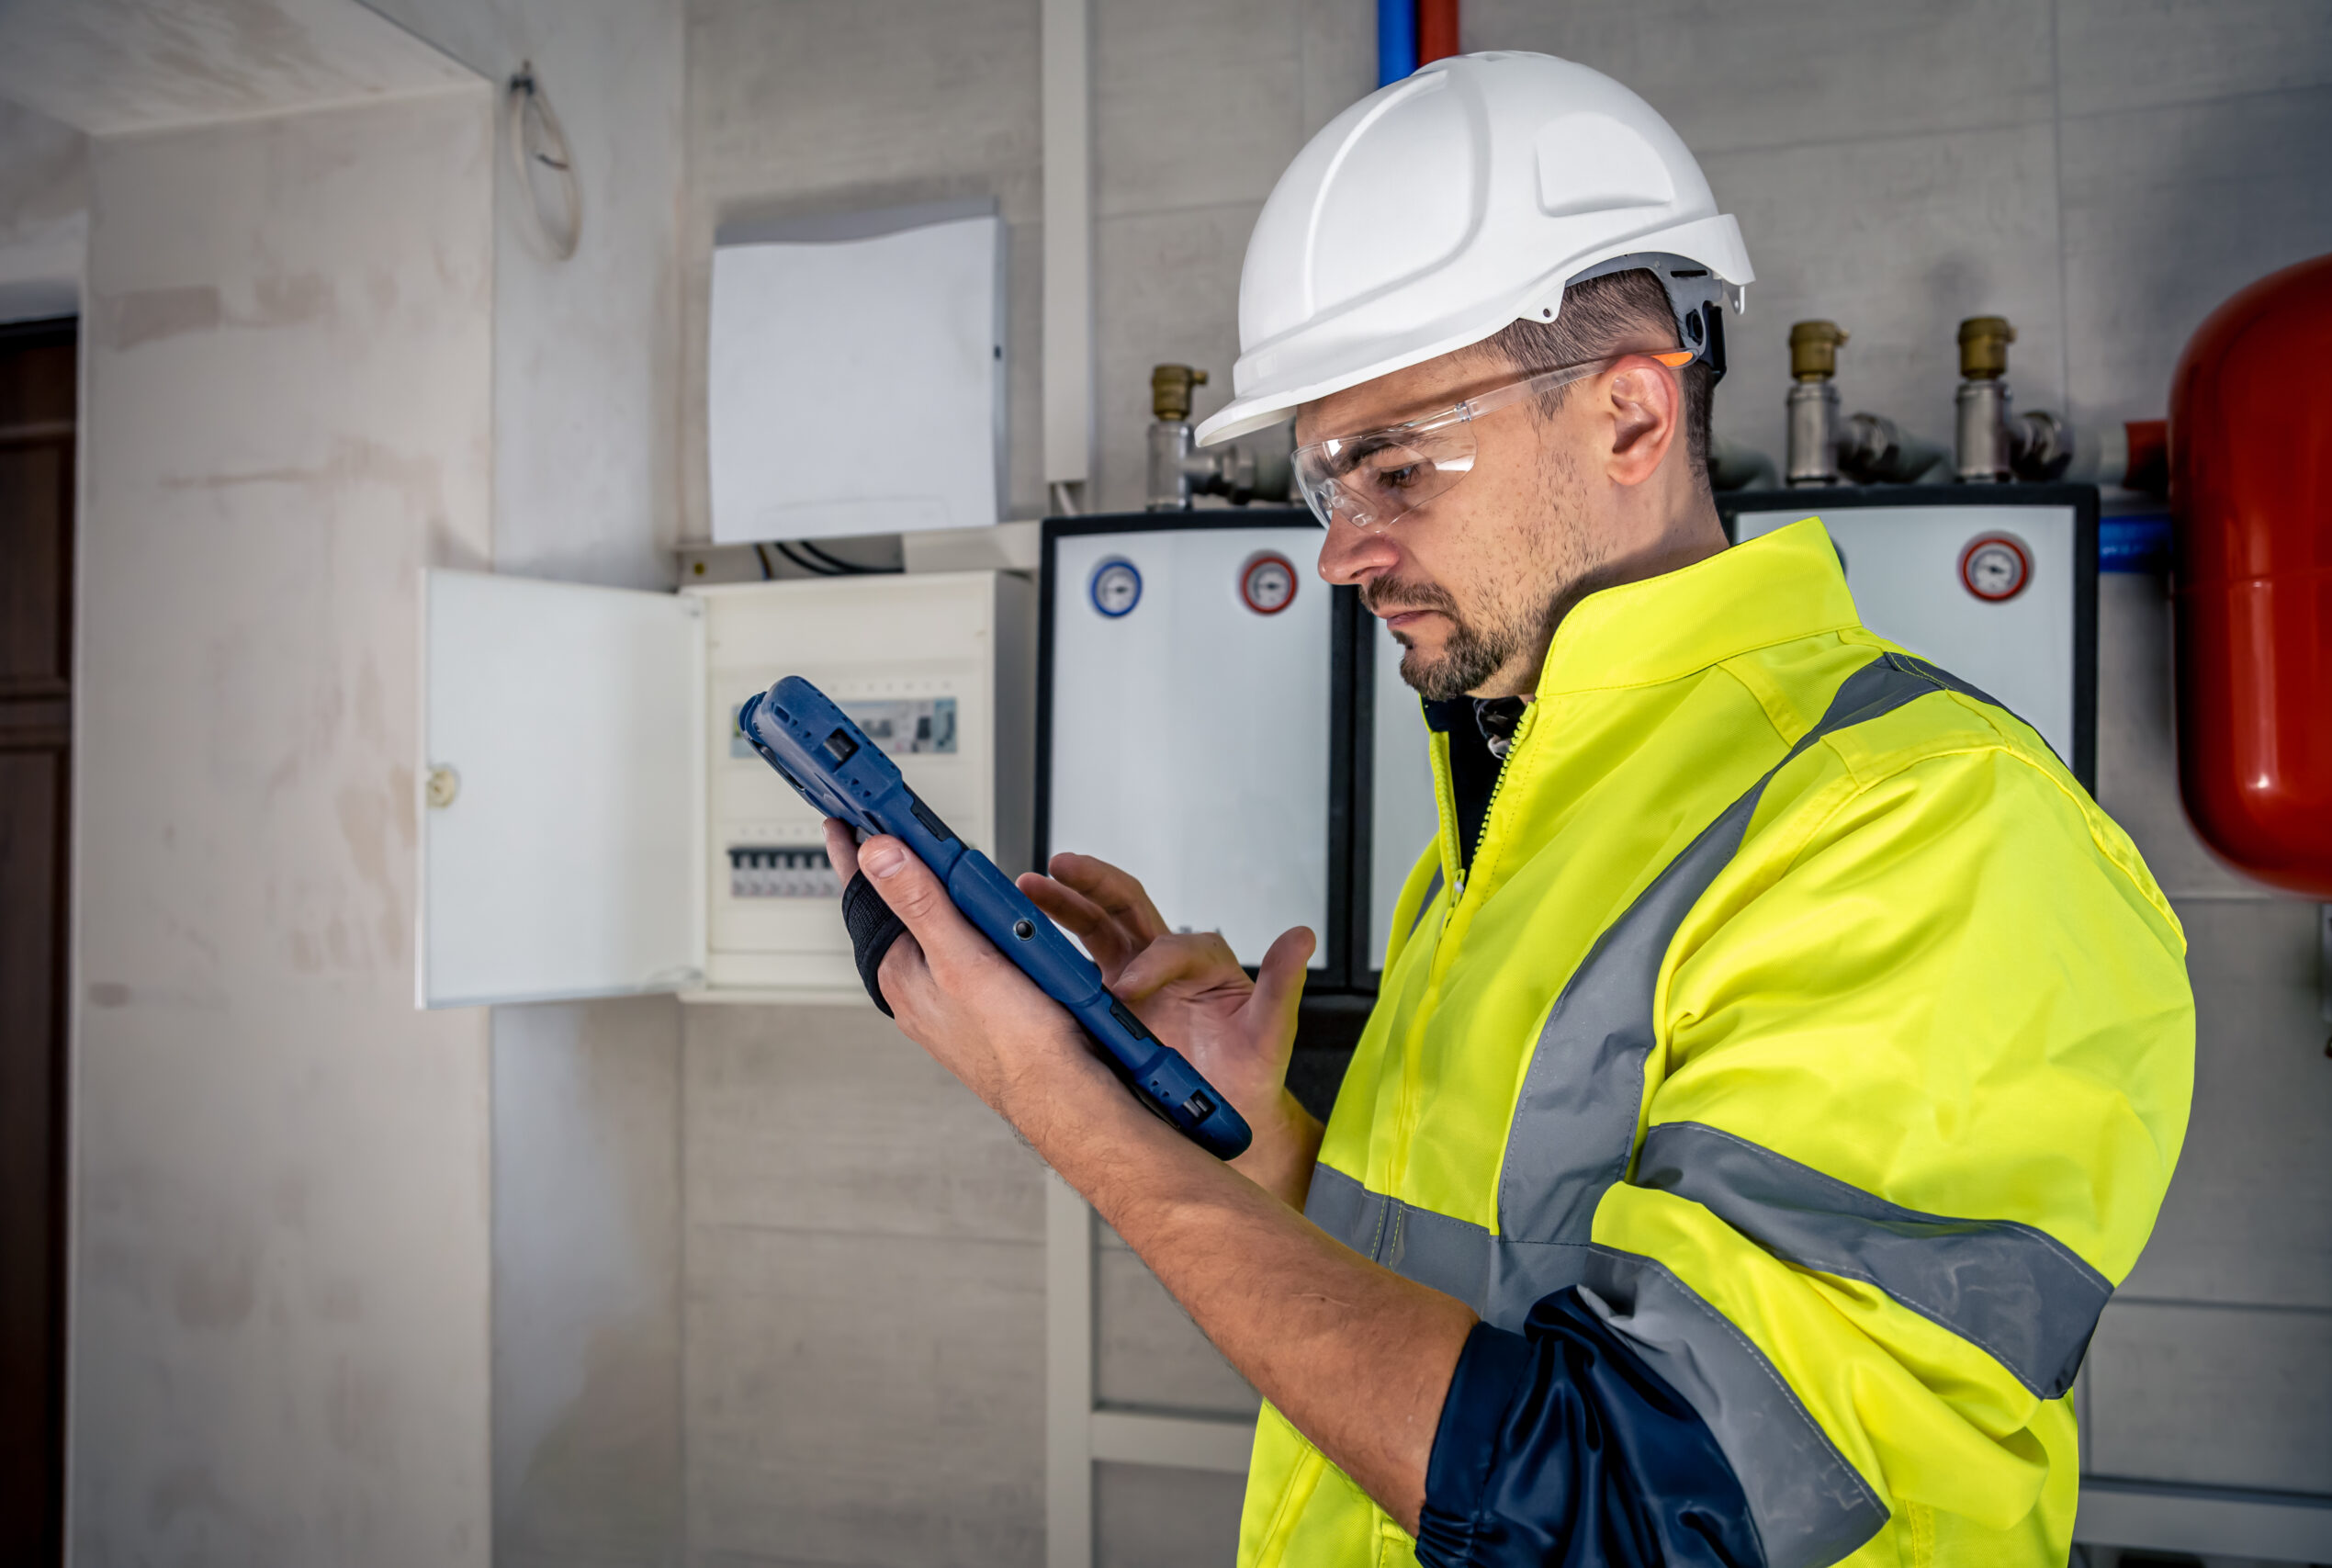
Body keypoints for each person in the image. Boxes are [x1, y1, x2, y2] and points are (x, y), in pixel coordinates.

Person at [821, 52, 2193, 1567]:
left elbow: (1644, 1513)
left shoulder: (1927, 827)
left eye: (1395, 468)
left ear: (1626, 418)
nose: (1343, 555)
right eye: (1323, 483)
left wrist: (1082, 1127)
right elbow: (1478, 1294)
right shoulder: (1523, 813)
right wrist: (1249, 1148)